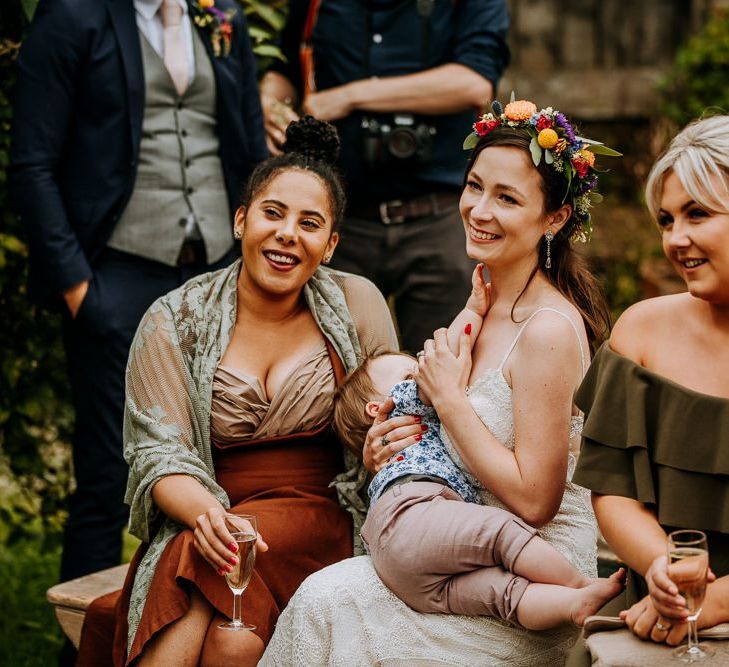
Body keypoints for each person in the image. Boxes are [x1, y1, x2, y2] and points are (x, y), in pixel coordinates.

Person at [261, 99, 619, 665]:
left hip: (533, 576)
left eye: (507, 198)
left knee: (330, 603)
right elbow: (432, 414)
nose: (478, 209)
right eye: (474, 186)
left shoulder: (548, 329)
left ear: (554, 219)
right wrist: (388, 444)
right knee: (322, 597)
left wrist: (451, 402)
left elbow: (534, 500)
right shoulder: (484, 301)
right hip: (452, 544)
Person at [73, 117, 401, 666]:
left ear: (331, 243)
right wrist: (208, 514)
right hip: (209, 510)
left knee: (208, 557)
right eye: (272, 213)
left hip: (322, 512)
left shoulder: (356, 302)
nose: (287, 233)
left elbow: (393, 409)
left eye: (310, 223)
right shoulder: (175, 319)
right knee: (232, 636)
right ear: (240, 219)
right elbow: (159, 454)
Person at [9, 0, 267, 602]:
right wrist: (80, 289)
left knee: (229, 468)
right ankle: (84, 646)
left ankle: (214, 623)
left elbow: (251, 152)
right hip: (116, 277)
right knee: (104, 476)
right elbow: (32, 165)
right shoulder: (74, 16)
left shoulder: (221, 18)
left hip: (218, 276)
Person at [259, 0, 510, 352]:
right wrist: (269, 103)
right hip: (342, 222)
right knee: (328, 370)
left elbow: (474, 82)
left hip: (438, 222)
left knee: (445, 365)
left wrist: (349, 97)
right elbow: (287, 65)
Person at [572, 115, 729, 648]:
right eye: (665, 220)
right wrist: (664, 567)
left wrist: (713, 604)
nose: (676, 239)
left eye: (697, 214)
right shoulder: (641, 330)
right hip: (657, 611)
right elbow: (614, 492)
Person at [334, 344, 625, 629]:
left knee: (504, 594)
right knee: (500, 533)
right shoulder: (402, 409)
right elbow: (433, 381)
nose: (424, 371)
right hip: (410, 512)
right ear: (376, 408)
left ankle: (575, 605)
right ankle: (578, 583)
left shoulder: (406, 436)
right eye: (412, 374)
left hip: (398, 564)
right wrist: (474, 306)